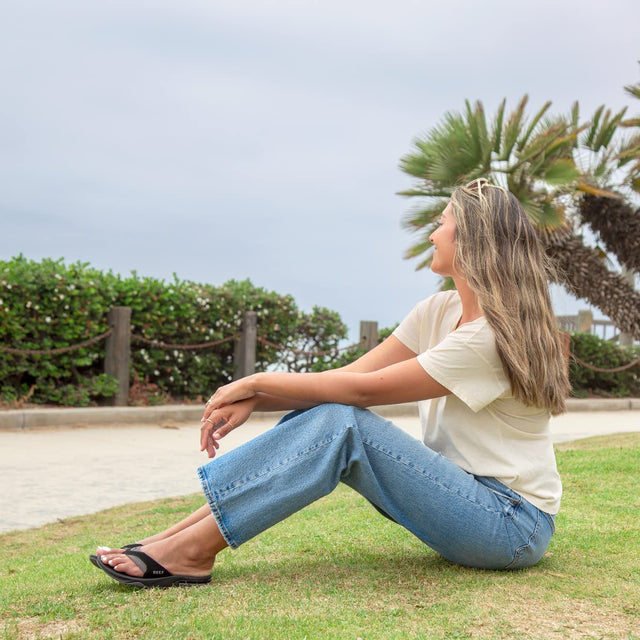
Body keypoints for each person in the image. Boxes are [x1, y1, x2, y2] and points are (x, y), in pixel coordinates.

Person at [92, 179, 570, 588]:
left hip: (508, 523)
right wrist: (258, 399)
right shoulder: (438, 311)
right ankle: (174, 541)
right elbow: (349, 377)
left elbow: (361, 394)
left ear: (470, 240)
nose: (432, 234)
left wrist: (256, 379)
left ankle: (191, 551)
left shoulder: (485, 339)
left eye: (442, 223)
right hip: (462, 497)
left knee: (345, 423)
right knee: (326, 414)